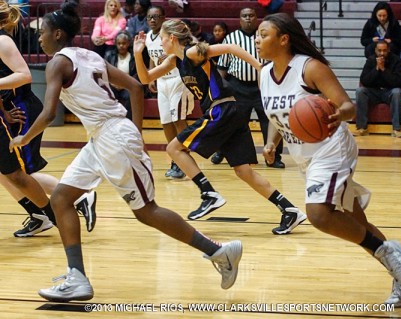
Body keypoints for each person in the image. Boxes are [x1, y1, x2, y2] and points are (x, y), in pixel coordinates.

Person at [10, 2, 242, 302]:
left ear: (57, 33)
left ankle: (219, 252)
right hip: (103, 136)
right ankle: (77, 277)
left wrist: (24, 138)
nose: (39, 39)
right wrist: (137, 132)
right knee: (61, 199)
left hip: (113, 136)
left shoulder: (58, 63)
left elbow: (48, 112)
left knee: (146, 212)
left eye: (42, 33)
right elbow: (134, 86)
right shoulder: (88, 55)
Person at [255, 12, 401, 307]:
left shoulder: (310, 68)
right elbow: (281, 117)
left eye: (263, 34)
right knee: (358, 223)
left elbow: (348, 105)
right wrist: (271, 142)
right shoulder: (264, 74)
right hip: (306, 157)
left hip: (331, 147)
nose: (257, 39)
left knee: (318, 214)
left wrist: (338, 114)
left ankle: (392, 257)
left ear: (283, 39)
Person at [133, 19, 307, 234]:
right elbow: (145, 78)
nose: (159, 44)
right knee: (244, 171)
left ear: (172, 38)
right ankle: (289, 210)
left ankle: (208, 193)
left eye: (161, 39)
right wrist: (137, 53)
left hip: (221, 109)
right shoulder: (174, 61)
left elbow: (230, 47)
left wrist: (259, 67)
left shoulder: (192, 52)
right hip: (230, 112)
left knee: (174, 148)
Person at [0, 0, 96, 237]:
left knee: (20, 173)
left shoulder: (2, 41)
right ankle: (39, 215)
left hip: (21, 108)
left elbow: (24, 75)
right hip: (7, 109)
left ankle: (79, 196)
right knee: (8, 172)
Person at [213, 7, 285, 169]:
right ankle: (230, 153)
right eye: (244, 16)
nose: (248, 18)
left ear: (256, 18)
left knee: (270, 120)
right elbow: (222, 67)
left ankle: (274, 156)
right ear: (239, 20)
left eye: (251, 15)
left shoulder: (266, 38)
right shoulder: (231, 38)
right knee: (234, 123)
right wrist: (218, 90)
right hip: (238, 86)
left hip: (264, 86)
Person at [145, 5, 193, 179]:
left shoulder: (171, 34)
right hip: (162, 81)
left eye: (156, 16)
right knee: (165, 122)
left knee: (179, 120)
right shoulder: (148, 37)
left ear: (163, 17)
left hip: (177, 79)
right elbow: (152, 57)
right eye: (149, 17)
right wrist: (151, 76)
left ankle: (185, 158)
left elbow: (186, 49)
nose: (152, 20)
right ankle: (175, 159)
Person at [354, 41, 401, 137]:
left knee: (397, 92)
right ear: (375, 50)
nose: (382, 53)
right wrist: (377, 68)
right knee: (360, 91)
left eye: (384, 51)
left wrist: (384, 70)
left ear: (388, 50)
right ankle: (361, 128)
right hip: (374, 92)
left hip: (389, 92)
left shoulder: (396, 60)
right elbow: (364, 80)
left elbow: (398, 82)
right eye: (379, 51)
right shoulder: (371, 60)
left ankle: (396, 129)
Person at [104, 30, 137, 119]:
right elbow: (104, 71)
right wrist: (111, 83)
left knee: (131, 94)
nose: (121, 46)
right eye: (119, 43)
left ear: (128, 43)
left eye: (124, 43)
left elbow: (136, 74)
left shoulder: (134, 56)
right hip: (113, 84)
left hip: (128, 85)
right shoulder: (109, 55)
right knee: (106, 92)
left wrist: (126, 84)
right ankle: (109, 118)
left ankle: (127, 119)